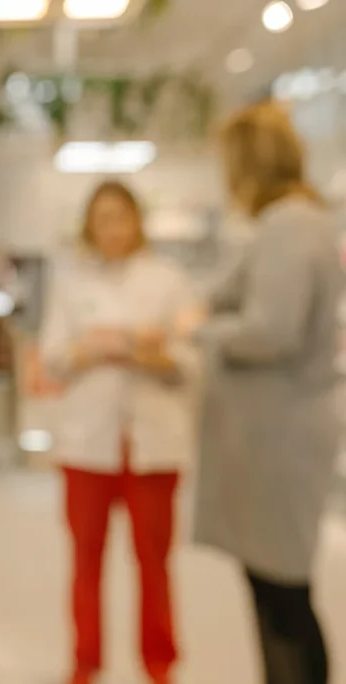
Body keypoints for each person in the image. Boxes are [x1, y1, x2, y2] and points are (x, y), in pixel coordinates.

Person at [188, 101, 341, 684]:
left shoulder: (291, 226)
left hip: (281, 440)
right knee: (274, 589)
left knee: (282, 595)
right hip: (277, 435)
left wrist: (197, 330)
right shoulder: (297, 222)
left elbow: (271, 329)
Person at [41, 180, 200, 684]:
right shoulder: (72, 283)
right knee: (86, 561)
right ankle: (85, 661)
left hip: (152, 445)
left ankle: (159, 664)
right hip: (87, 445)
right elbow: (52, 357)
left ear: (138, 220)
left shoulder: (169, 280)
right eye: (102, 219)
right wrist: (90, 350)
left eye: (121, 217)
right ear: (90, 225)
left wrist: (139, 349)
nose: (112, 229)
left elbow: (190, 360)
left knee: (154, 563)